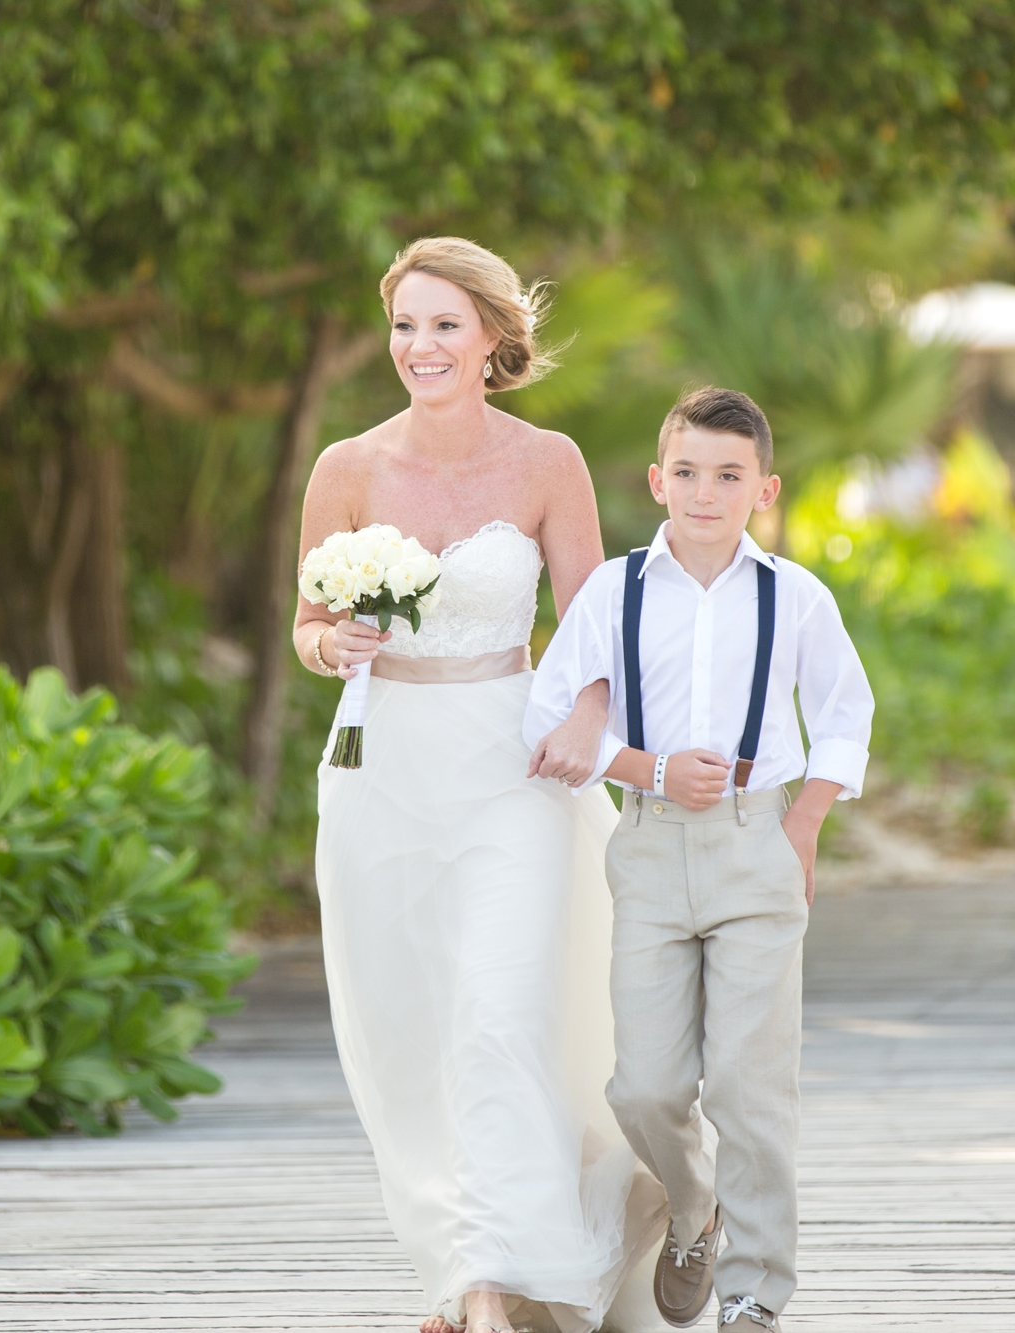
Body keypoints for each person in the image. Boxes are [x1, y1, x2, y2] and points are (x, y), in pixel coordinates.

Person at [294, 237, 668, 1333]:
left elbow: (592, 628)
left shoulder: (545, 461)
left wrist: (585, 722)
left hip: (512, 767)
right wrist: (335, 644)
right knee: (413, 1021)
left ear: (494, 339)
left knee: (498, 1011)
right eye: (405, 325)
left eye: (443, 325)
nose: (420, 346)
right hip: (384, 770)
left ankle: (493, 1286)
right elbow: (306, 627)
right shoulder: (345, 468)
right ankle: (463, 1263)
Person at [525, 387, 875, 1330]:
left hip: (759, 843)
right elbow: (545, 716)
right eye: (686, 472)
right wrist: (647, 766)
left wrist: (802, 823)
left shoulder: (795, 595)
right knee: (643, 1082)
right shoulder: (615, 591)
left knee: (752, 1085)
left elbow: (848, 714)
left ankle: (756, 1290)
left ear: (764, 488)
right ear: (656, 480)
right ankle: (692, 1206)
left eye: (728, 476)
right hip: (648, 844)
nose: (705, 493)